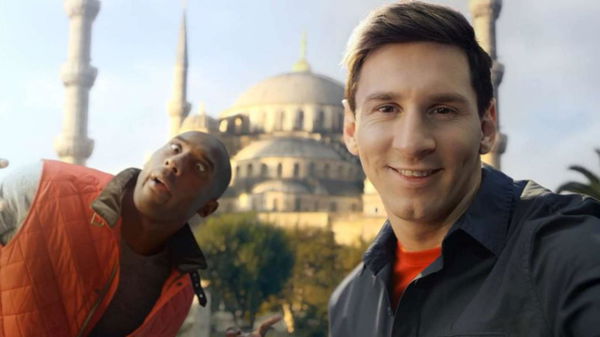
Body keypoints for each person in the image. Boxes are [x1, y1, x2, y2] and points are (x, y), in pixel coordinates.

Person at [328, 2, 600, 336]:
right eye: (386, 108)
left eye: (442, 110)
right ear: (351, 130)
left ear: (486, 127)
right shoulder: (350, 303)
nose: (411, 143)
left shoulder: (568, 253)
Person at [0, 131, 278, 337]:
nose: (175, 162)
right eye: (174, 148)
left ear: (207, 208)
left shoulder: (176, 296)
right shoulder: (44, 187)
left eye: (199, 166)